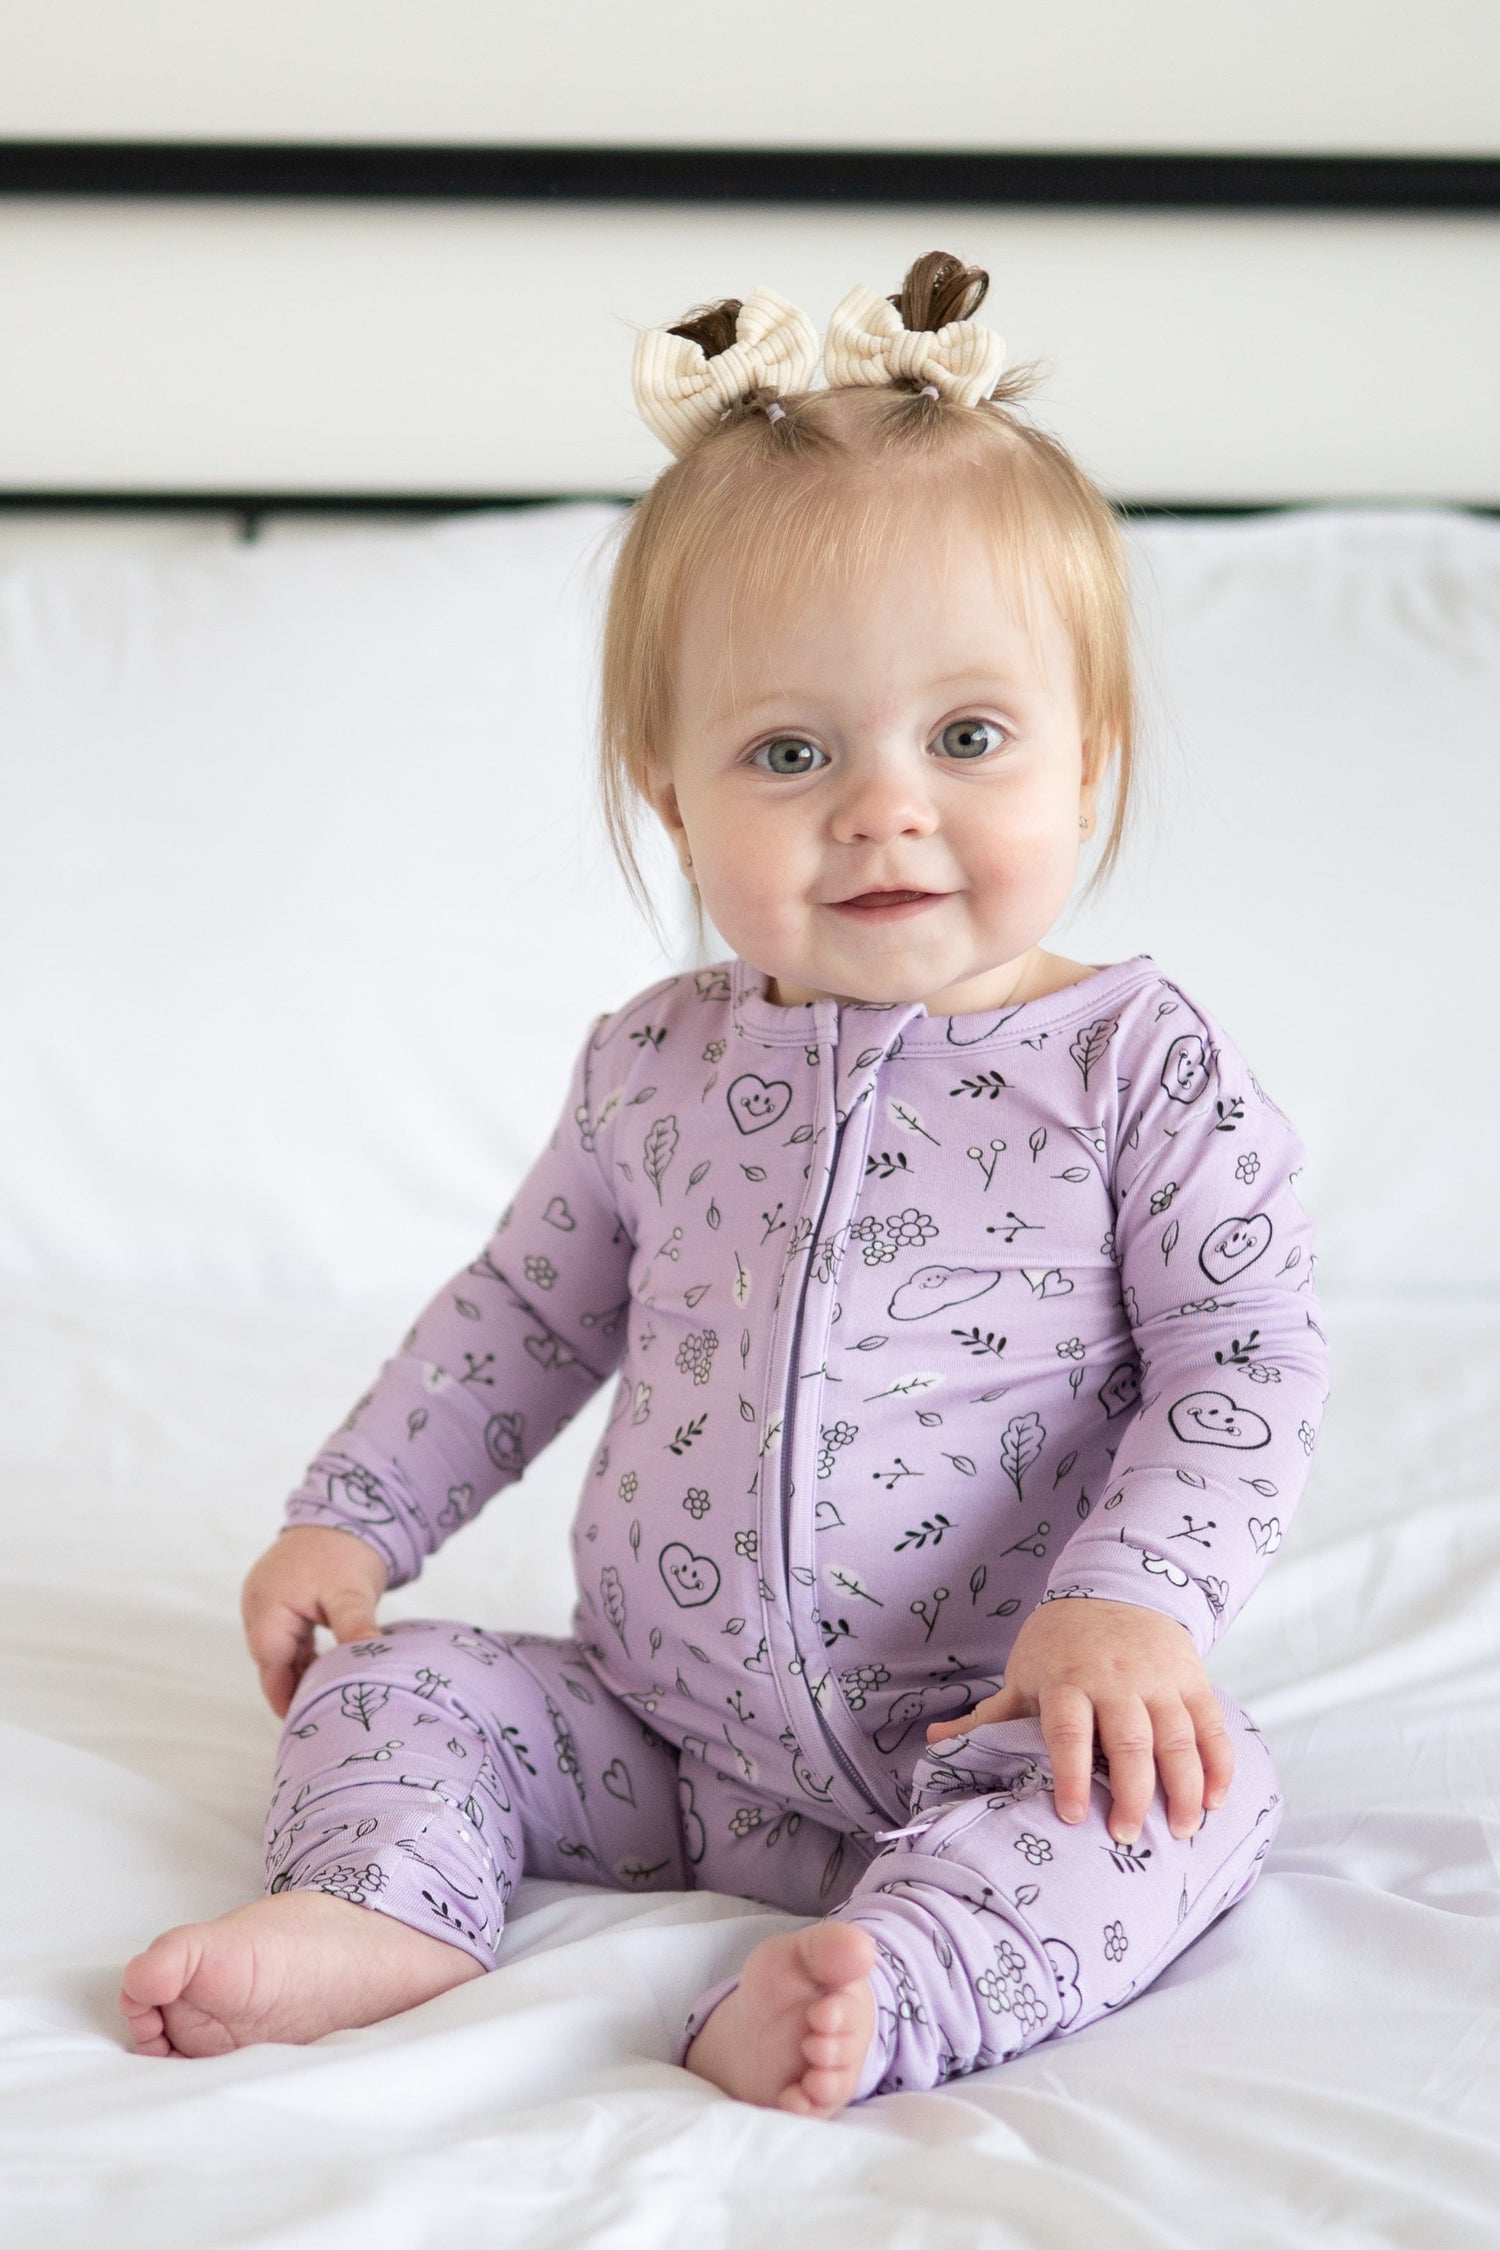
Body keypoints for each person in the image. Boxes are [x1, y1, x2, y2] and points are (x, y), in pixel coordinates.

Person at [119, 251, 1330, 2114]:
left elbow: (1241, 1359)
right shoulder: (655, 1063)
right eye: (788, 751)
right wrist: (353, 1519)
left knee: (1197, 1794)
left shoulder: (1132, 1065)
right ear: (675, 799)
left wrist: (1137, 1605)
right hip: (664, 1736)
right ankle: (388, 1901)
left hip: (1000, 1717)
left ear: (1090, 755)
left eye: (971, 736)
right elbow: (522, 1317)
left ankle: (884, 1982)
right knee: (396, 1689)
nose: (884, 804)